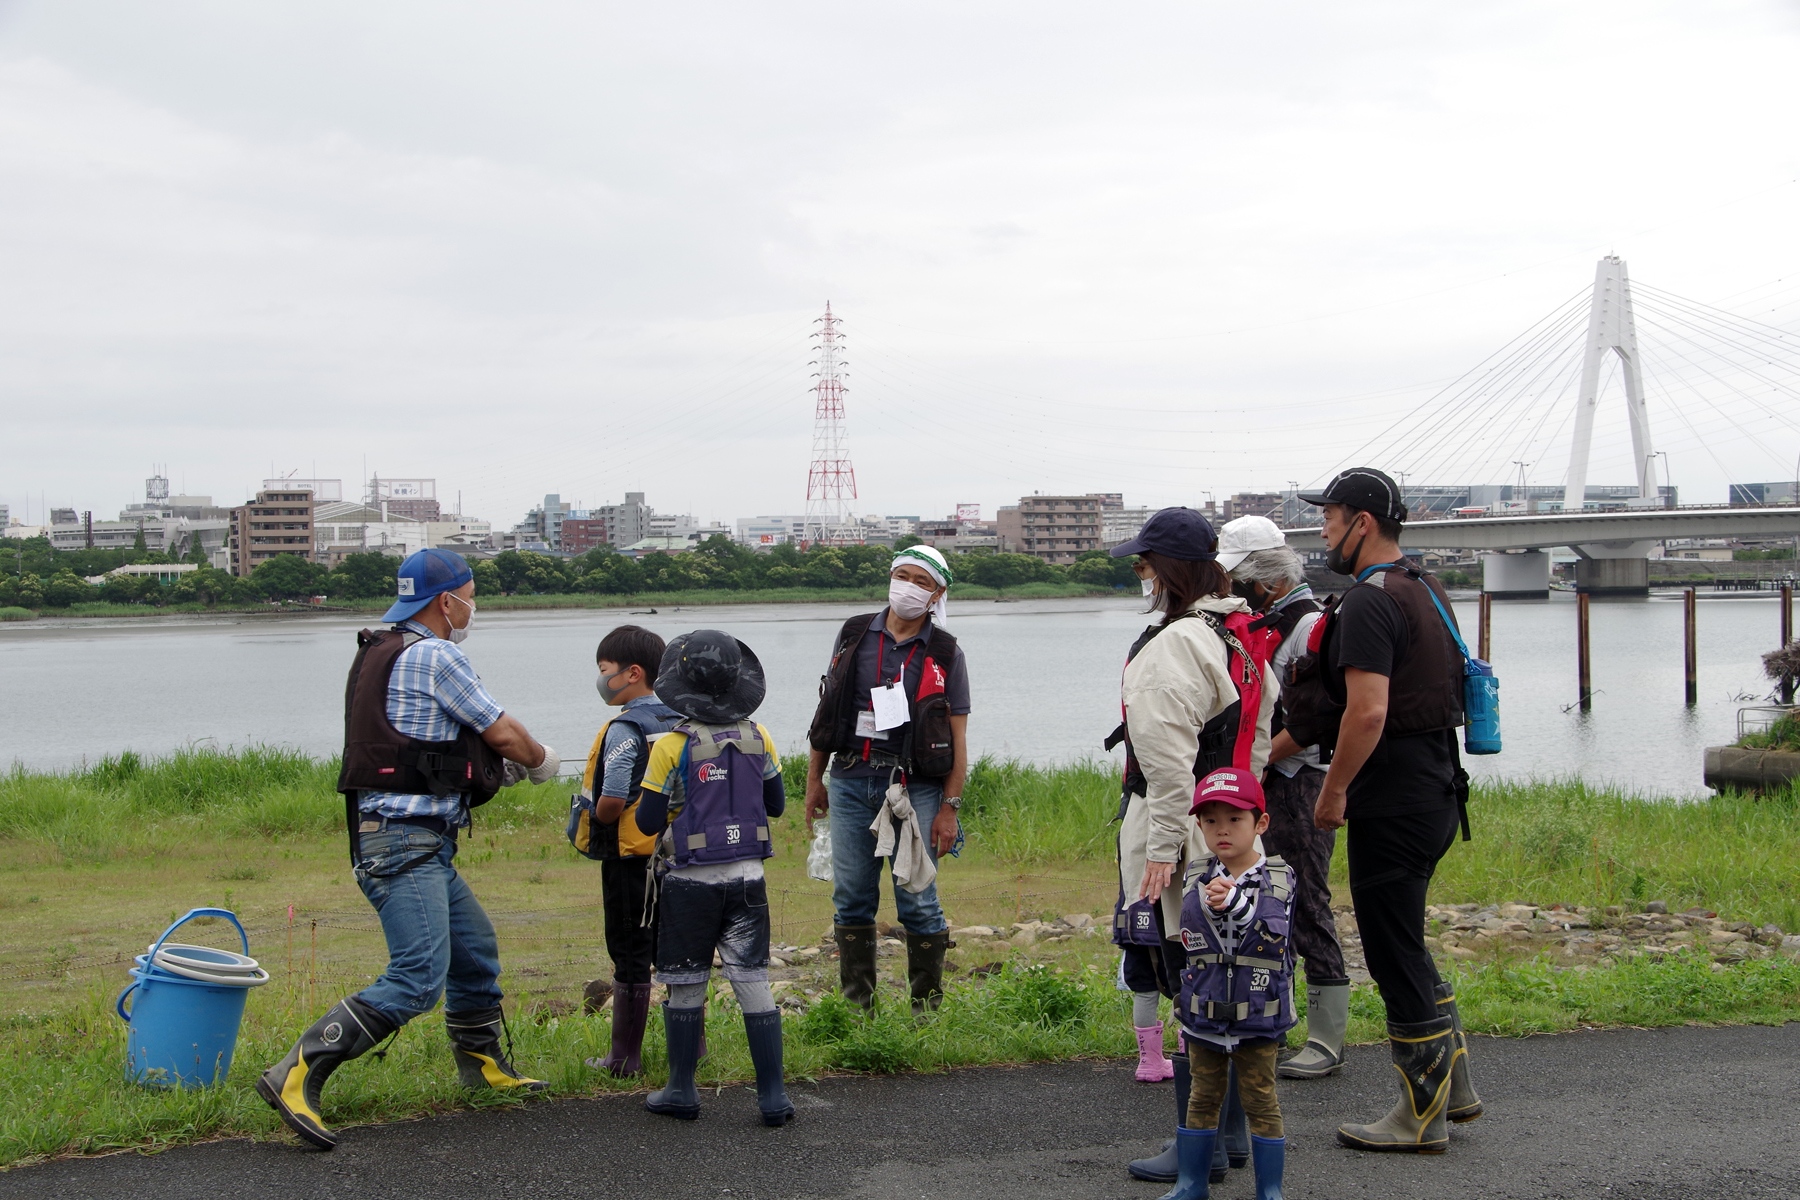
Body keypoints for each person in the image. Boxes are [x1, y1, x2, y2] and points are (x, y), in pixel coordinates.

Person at [259, 548, 561, 1150]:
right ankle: (296, 1072)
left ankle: (483, 1069)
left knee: (474, 953)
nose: (473, 607)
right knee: (420, 976)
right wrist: (540, 762)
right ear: (446, 602)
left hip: (408, 839)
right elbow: (500, 730)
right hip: (402, 842)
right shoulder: (436, 654)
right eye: (470, 595)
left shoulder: (380, 647)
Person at [1292, 467, 1482, 1153]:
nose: (1323, 528)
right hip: (1436, 787)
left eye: (1331, 515)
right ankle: (1453, 1088)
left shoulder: (1370, 601)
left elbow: (1368, 712)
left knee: (1392, 950)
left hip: (1391, 797)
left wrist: (1334, 789)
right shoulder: (1427, 587)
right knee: (1407, 939)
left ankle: (1419, 1115)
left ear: (1362, 522)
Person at [1107, 508, 1276, 1188]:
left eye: (1145, 564)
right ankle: (1231, 1139)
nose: (1141, 576)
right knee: (1224, 983)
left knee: (1189, 987)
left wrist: (1161, 850)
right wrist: (1247, 824)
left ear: (1168, 569)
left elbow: (1170, 764)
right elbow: (1259, 735)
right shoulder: (1236, 630)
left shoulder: (1175, 643)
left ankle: (1195, 1151)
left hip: (1181, 832)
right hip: (1232, 827)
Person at [633, 630, 794, 1127]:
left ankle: (681, 1088)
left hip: (689, 883)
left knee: (685, 983)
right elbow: (776, 805)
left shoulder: (670, 745)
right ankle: (772, 1097)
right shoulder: (759, 736)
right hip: (749, 878)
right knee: (753, 979)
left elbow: (646, 822)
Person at [804, 544, 970, 1014]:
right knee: (852, 897)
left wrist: (948, 808)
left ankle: (925, 1015)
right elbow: (828, 711)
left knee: (916, 896)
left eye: (922, 581)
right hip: (851, 779)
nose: (909, 587)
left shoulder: (945, 651)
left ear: (938, 593)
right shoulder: (855, 633)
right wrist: (815, 780)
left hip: (914, 787)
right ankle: (860, 1013)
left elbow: (958, 737)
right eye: (903, 575)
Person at [1216, 515, 1352, 1080]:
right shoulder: (1262, 621)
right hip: (1265, 779)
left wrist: (1252, 764)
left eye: (1236, 578)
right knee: (1261, 900)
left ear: (1264, 579)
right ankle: (1275, 1021)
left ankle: (1326, 1037)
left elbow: (1321, 716)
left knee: (1306, 899)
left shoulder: (1309, 626)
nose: (1229, 588)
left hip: (1299, 779)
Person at [1158, 766, 1295, 1200]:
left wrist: (1236, 903)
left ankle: (1269, 1191)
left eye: (1235, 819)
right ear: (1198, 825)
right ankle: (1191, 1185)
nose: (1222, 830)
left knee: (1261, 1101)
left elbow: (1274, 939)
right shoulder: (1197, 873)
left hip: (1259, 1017)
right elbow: (1189, 940)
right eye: (1211, 820)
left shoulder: (1278, 878)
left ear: (1261, 823)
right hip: (1204, 1017)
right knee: (1201, 1098)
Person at [574, 624, 684, 1076]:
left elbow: (615, 795)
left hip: (630, 858)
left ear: (632, 673)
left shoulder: (625, 727)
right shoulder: (682, 719)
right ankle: (688, 1050)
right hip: (678, 857)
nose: (601, 680)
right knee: (676, 951)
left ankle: (623, 1058)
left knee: (629, 949)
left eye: (605, 671)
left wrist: (599, 817)